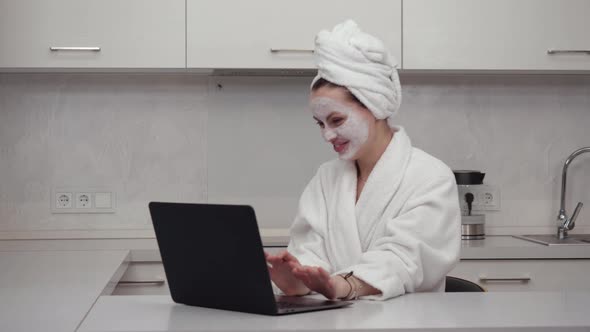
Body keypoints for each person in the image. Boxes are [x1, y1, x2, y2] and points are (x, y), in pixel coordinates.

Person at [265, 20, 461, 301]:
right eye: (320, 124)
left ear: (375, 106)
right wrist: (296, 280)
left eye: (337, 120)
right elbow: (309, 255)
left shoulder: (430, 176)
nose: (327, 135)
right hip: (332, 321)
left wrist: (345, 285)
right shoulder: (326, 178)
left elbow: (404, 258)